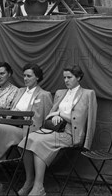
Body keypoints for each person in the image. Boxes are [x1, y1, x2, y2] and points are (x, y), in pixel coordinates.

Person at [19, 65, 97, 196]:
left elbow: (84, 120)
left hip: (70, 133)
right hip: (53, 130)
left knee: (38, 143)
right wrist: (55, 114)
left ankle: (38, 187)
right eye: (64, 77)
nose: (66, 80)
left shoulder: (88, 94)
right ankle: (29, 180)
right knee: (27, 140)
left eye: (69, 77)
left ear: (78, 77)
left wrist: (60, 115)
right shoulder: (61, 93)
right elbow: (51, 113)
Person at [0, 63, 53, 193]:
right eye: (24, 76)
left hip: (30, 131)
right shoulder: (20, 91)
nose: (26, 78)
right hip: (12, 127)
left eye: (29, 76)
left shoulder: (44, 95)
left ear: (37, 78)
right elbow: (12, 111)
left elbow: (47, 118)